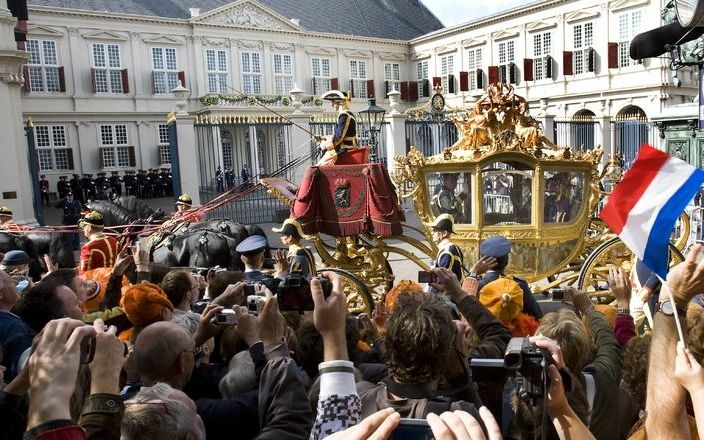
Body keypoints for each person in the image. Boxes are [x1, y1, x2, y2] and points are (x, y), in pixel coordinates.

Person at [477, 235, 543, 320]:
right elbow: (536, 316)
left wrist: (473, 274)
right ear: (507, 260)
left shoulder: (477, 286)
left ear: (482, 261)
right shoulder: (519, 284)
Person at [316, 90, 358, 166]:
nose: (332, 105)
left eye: (333, 102)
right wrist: (324, 138)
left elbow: (339, 138)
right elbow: (340, 135)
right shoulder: (347, 114)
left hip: (343, 149)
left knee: (319, 167)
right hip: (343, 148)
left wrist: (325, 145)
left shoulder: (344, 116)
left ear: (340, 102)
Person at [428, 213, 464, 283]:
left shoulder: (447, 252)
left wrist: (423, 277)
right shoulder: (450, 248)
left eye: (435, 230)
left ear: (444, 233)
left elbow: (441, 281)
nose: (432, 233)